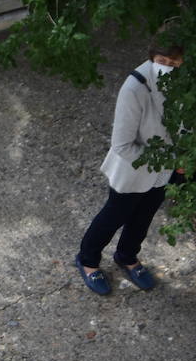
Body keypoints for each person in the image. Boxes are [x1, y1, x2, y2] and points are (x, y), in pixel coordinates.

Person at [75, 37, 186, 294]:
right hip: (133, 171)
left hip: (162, 172)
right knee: (114, 216)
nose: (168, 67)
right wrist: (170, 160)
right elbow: (122, 145)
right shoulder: (134, 88)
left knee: (143, 217)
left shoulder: (184, 82)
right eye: (162, 62)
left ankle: (127, 256)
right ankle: (87, 260)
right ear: (152, 58)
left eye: (174, 62)